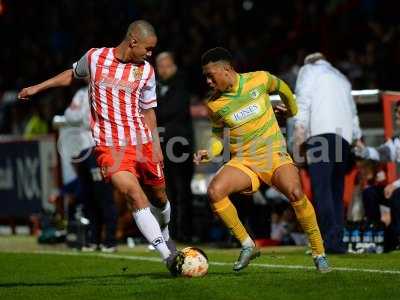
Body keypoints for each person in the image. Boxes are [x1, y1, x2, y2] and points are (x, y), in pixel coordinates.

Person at [18, 20, 177, 273]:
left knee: (159, 196)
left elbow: (148, 111)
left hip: (142, 142)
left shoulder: (146, 70)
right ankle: (168, 256)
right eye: (147, 49)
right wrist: (38, 87)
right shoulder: (95, 57)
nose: (150, 54)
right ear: (132, 41)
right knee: (133, 193)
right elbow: (72, 74)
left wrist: (156, 146)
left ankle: (166, 230)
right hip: (109, 146)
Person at [194, 47, 330, 272]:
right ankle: (248, 244)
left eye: (210, 75)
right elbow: (218, 135)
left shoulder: (259, 79)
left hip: (274, 156)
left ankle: (319, 252)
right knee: (214, 192)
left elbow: (284, 88)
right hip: (244, 161)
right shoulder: (214, 104)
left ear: (226, 69)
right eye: (205, 77)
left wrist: (292, 112)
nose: (208, 81)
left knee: (296, 193)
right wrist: (210, 151)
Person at [293, 52, 362, 254]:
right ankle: (336, 241)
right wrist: (357, 138)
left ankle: (324, 241)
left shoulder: (308, 71)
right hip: (343, 138)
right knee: (336, 192)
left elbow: (303, 104)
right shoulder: (342, 78)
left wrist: (299, 136)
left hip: (321, 136)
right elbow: (353, 112)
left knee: (322, 191)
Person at [63, 86, 118, 252]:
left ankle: (109, 240)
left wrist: (83, 115)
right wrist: (84, 114)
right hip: (84, 149)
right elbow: (69, 115)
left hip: (101, 147)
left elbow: (95, 119)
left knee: (104, 196)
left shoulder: (108, 89)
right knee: (88, 196)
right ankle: (93, 239)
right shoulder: (81, 93)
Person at [155, 52, 194, 242]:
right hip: (163, 145)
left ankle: (185, 232)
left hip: (180, 144)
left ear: (174, 66)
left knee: (182, 190)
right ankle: (170, 232)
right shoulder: (157, 86)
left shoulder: (181, 83)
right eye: (159, 66)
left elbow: (172, 110)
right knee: (167, 190)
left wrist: (155, 112)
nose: (162, 70)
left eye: (166, 65)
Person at [355, 101, 400, 249]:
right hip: (396, 188)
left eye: (399, 113)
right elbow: (381, 154)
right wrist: (364, 150)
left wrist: (394, 185)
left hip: (397, 189)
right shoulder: (396, 140)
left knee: (397, 195)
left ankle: (397, 238)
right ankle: (376, 233)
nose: (396, 117)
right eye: (396, 113)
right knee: (370, 193)